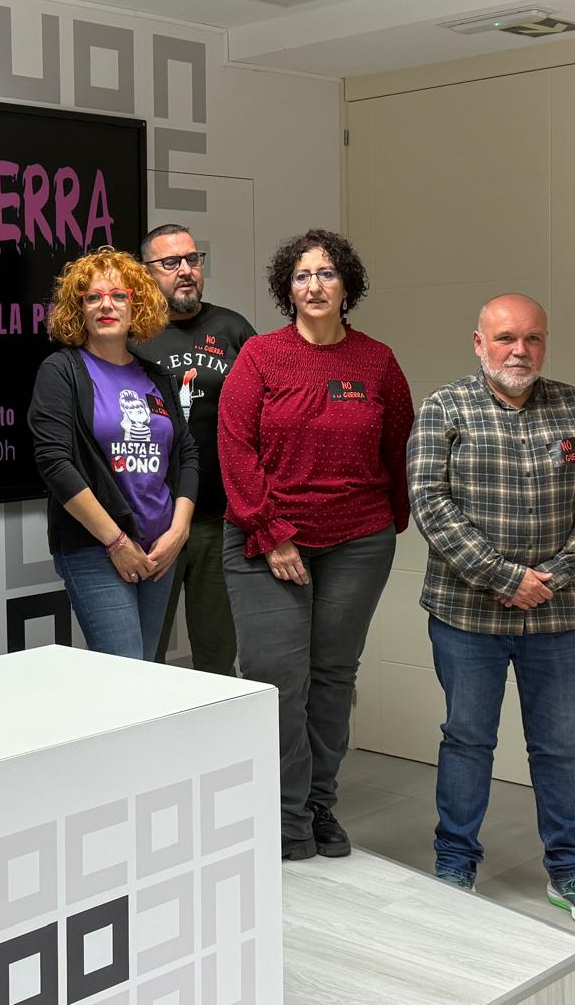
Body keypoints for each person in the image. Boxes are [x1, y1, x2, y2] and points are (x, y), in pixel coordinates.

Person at [407, 293, 575, 929]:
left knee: (558, 747)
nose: (519, 351)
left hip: (560, 613)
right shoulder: (445, 408)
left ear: (544, 344)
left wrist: (551, 576)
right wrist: (504, 577)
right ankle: (454, 867)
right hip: (466, 613)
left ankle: (571, 872)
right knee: (468, 740)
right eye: (505, 339)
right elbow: (429, 501)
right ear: (479, 343)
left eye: (531, 339)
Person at [219, 228, 413, 861]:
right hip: (266, 539)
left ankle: (319, 805)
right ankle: (282, 817)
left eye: (326, 273)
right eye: (302, 276)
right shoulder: (260, 357)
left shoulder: (377, 362)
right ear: (287, 288)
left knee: (332, 677)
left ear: (346, 284)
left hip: (358, 540)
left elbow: (398, 446)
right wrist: (271, 532)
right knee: (278, 680)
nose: (314, 285)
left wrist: (391, 518)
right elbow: (235, 448)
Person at [28, 248, 198, 660]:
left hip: (161, 550)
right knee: (125, 677)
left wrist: (179, 531)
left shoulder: (157, 375)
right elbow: (55, 463)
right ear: (78, 309)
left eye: (119, 295)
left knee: (147, 672)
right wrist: (117, 541)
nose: (106, 305)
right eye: (93, 297)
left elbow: (187, 453)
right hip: (96, 549)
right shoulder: (62, 370)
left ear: (134, 305)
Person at [130, 223, 256, 674]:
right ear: (145, 273)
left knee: (218, 657)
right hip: (148, 526)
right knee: (143, 660)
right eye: (170, 263)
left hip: (219, 522)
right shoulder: (128, 334)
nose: (185, 271)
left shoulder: (233, 328)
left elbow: (262, 419)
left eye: (193, 259)